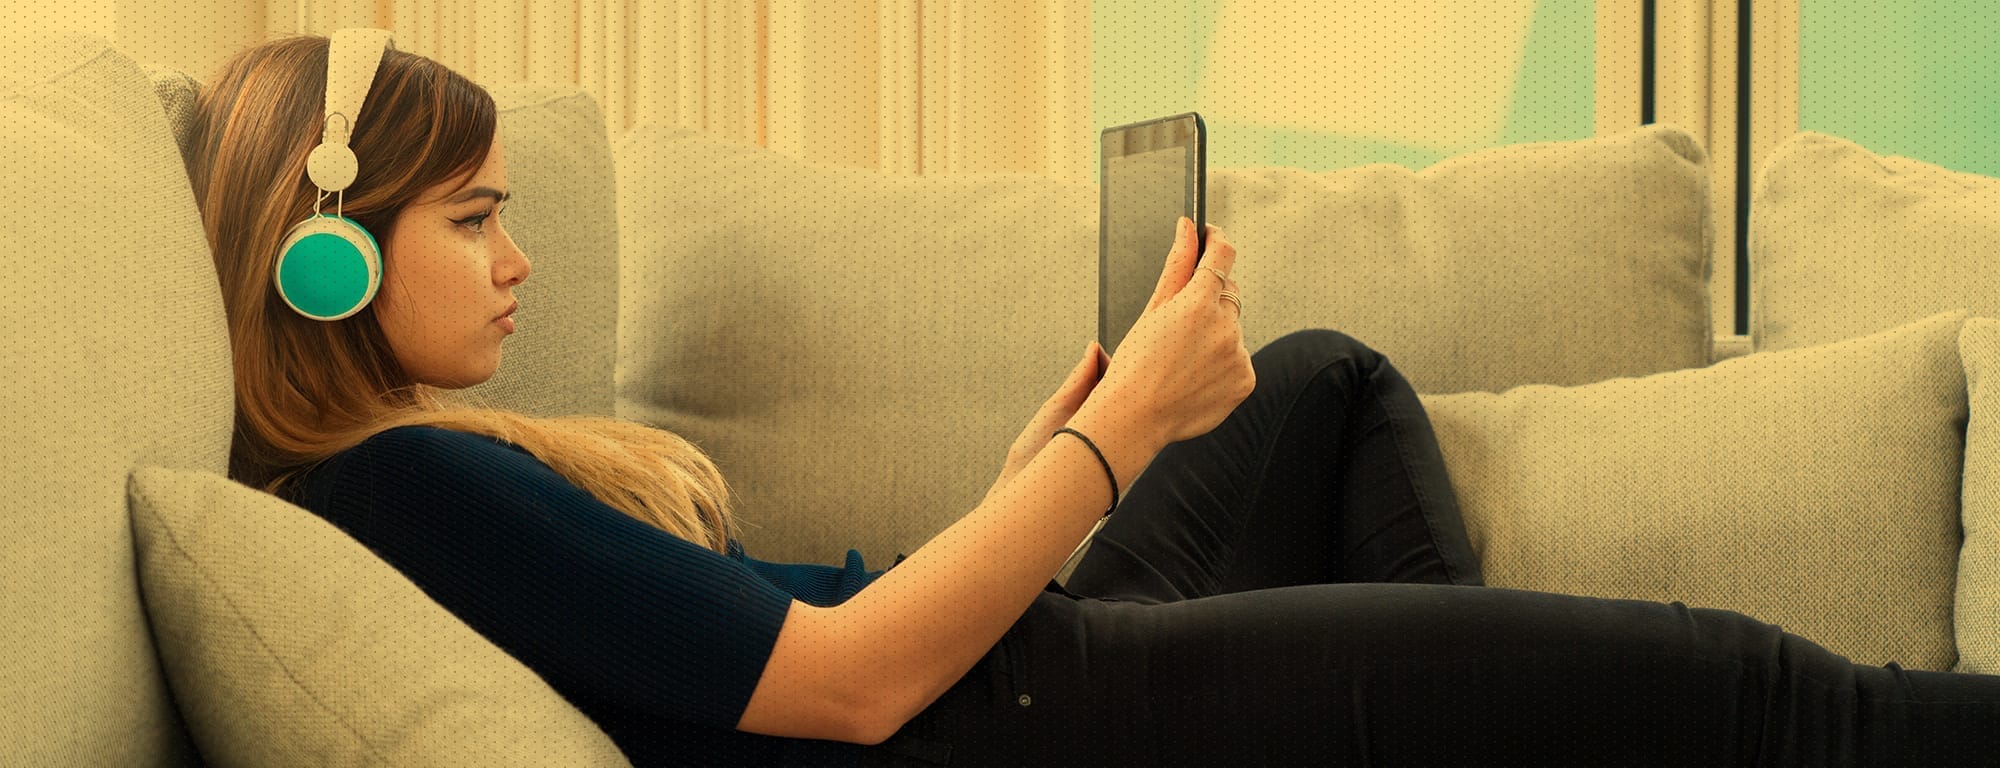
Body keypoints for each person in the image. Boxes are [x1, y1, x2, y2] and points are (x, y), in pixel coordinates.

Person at [182, 35, 2000, 766]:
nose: (517, 263)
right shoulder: (403, 494)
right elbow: (848, 685)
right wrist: (1109, 436)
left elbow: (789, 629)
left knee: (1319, 387)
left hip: (1013, 661)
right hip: (1028, 718)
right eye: (476, 220)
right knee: (1748, 696)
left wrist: (1025, 481)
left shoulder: (414, 476)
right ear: (325, 259)